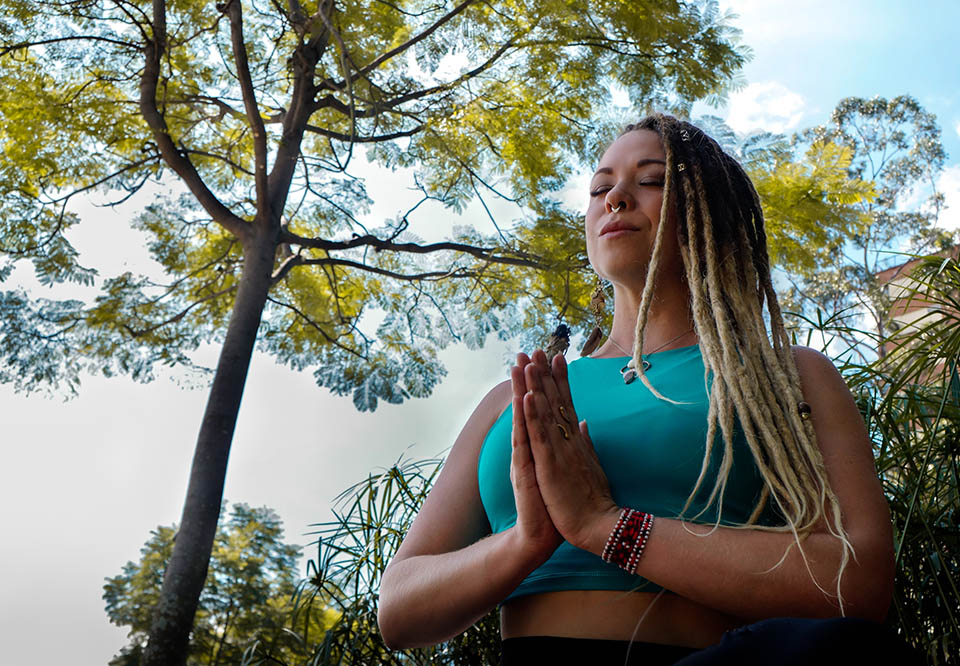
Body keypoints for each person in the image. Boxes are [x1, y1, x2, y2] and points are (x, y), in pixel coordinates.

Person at [377, 114, 917, 665]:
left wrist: (605, 525)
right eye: (599, 187)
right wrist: (527, 541)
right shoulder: (516, 397)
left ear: (713, 215)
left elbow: (857, 584)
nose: (615, 197)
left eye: (652, 180)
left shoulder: (787, 375)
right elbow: (399, 609)